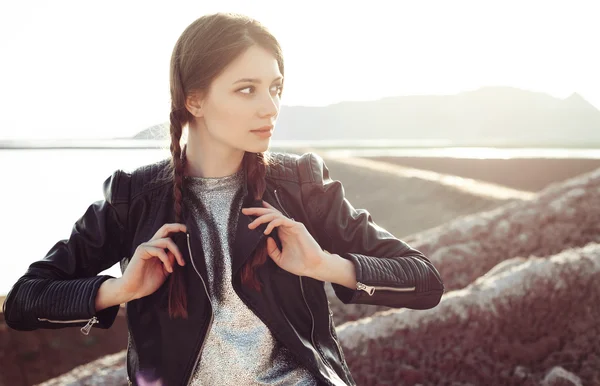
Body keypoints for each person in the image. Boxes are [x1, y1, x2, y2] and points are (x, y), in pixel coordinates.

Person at [3, 12, 445, 386]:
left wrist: (323, 265)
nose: (270, 108)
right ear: (194, 99)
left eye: (275, 88)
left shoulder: (301, 184)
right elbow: (25, 300)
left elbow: (424, 282)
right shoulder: (131, 198)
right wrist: (118, 290)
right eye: (247, 89)